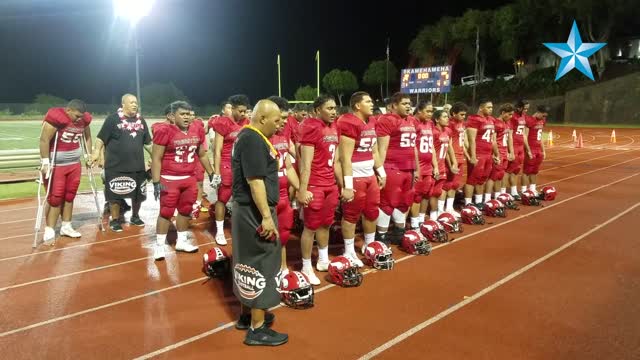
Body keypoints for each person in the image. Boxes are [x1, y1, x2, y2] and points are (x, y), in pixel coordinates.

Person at [231, 99, 287, 346]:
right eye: (276, 120)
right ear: (262, 118)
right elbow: (256, 181)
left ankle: (246, 314)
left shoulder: (247, 136)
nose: (279, 125)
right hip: (254, 210)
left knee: (246, 260)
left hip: (245, 209)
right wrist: (266, 216)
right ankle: (257, 328)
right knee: (262, 260)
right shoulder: (253, 139)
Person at [151, 101, 214, 261]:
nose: (187, 117)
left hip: (189, 178)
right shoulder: (164, 130)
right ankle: (159, 246)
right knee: (166, 212)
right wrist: (156, 182)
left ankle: (182, 241)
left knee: (186, 210)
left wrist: (212, 172)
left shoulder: (197, 129)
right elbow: (156, 158)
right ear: (172, 116)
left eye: (188, 114)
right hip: (169, 178)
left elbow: (202, 154)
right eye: (182, 114)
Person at [335, 91, 384, 264]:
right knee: (351, 215)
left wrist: (381, 171)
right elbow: (345, 158)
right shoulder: (348, 122)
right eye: (368, 101)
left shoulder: (371, 121)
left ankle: (370, 245)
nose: (372, 104)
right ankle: (349, 250)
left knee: (372, 212)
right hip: (354, 175)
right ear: (357, 105)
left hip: (370, 175)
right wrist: (347, 185)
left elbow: (374, 150)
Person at [92, 94, 151, 232]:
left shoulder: (141, 120)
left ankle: (135, 216)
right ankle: (115, 219)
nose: (135, 105)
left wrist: (157, 156)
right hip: (115, 166)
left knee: (138, 195)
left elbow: (148, 143)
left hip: (137, 166)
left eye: (136, 102)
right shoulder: (112, 119)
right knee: (115, 195)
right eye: (131, 102)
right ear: (123, 104)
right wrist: (96, 153)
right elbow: (101, 139)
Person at [296, 95, 339, 285]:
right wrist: (302, 191)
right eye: (329, 108)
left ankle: (323, 258)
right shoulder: (311, 126)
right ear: (317, 110)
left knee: (326, 223)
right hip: (315, 184)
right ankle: (306, 266)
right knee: (310, 227)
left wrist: (343, 184)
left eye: (334, 108)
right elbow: (305, 164)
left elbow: (335, 161)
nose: (333, 111)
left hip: (330, 183)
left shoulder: (333, 127)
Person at [38, 99, 92, 245]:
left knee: (70, 195)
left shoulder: (83, 119)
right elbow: (44, 140)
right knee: (55, 197)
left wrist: (88, 155)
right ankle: (49, 229)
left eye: (81, 116)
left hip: (74, 164)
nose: (79, 119)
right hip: (57, 164)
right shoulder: (57, 118)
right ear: (68, 111)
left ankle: (66, 226)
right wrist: (45, 161)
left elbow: (87, 137)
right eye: (76, 116)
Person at [375, 92, 419, 244]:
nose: (408, 106)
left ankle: (399, 232)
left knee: (404, 201)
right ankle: (381, 235)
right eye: (404, 103)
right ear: (394, 105)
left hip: (409, 168)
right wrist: (380, 171)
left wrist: (417, 168)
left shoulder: (412, 121)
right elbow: (382, 149)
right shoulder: (387, 120)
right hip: (392, 167)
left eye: (409, 103)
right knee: (387, 203)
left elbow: (413, 147)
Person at [210, 95, 251, 245]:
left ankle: (239, 227)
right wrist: (217, 172)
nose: (243, 114)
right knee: (223, 198)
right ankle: (220, 231)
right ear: (232, 108)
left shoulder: (247, 122)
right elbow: (217, 149)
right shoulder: (223, 123)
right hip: (227, 164)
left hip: (243, 165)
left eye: (245, 111)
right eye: (240, 111)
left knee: (242, 199)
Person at [267, 96, 300, 276]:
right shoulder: (253, 137)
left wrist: (301, 189)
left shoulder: (283, 133)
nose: (286, 122)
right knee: (265, 238)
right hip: (265, 196)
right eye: (281, 118)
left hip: (283, 195)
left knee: (284, 234)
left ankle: (282, 268)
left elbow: (287, 165)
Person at [409, 101, 438, 228]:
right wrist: (416, 167)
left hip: (428, 165)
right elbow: (412, 145)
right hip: (417, 165)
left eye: (432, 111)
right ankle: (414, 223)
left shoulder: (430, 123)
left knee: (426, 193)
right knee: (416, 196)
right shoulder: (413, 122)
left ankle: (421, 219)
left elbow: (431, 145)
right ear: (419, 110)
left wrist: (435, 165)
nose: (430, 114)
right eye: (428, 111)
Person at [464, 99, 497, 209]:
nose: (491, 109)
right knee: (472, 179)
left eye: (491, 107)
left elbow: (492, 139)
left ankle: (478, 201)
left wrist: (495, 154)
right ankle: (468, 202)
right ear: (481, 108)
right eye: (488, 107)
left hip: (488, 154)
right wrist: (473, 156)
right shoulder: (474, 119)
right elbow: (471, 139)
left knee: (482, 178)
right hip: (479, 153)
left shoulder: (491, 120)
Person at [429, 109, 457, 220]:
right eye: (444, 116)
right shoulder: (433, 131)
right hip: (433, 164)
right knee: (429, 193)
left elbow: (449, 147)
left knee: (437, 192)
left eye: (447, 116)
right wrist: (434, 166)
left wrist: (453, 162)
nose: (447, 118)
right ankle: (430, 217)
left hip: (442, 164)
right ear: (437, 119)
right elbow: (431, 150)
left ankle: (436, 214)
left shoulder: (448, 131)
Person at [442, 102, 469, 217]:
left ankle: (449, 207)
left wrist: (466, 154)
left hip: (460, 155)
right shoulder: (450, 125)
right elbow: (449, 144)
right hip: (453, 156)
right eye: (461, 114)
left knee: (455, 184)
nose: (463, 117)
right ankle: (440, 209)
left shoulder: (461, 123)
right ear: (453, 113)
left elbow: (463, 141)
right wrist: (452, 161)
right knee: (446, 184)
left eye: (464, 115)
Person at [486, 103, 515, 199]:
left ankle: (497, 197)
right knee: (493, 176)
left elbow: (509, 138)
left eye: (512, 115)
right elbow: (493, 140)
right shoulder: (496, 123)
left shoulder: (507, 123)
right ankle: (487, 198)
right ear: (503, 113)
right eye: (509, 114)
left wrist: (511, 152)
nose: (511, 117)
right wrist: (496, 154)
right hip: (498, 152)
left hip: (504, 151)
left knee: (500, 176)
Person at [505, 100, 529, 200]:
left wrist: (527, 148)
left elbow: (523, 134)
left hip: (520, 146)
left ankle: (514, 191)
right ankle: (502, 192)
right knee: (508, 170)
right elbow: (509, 135)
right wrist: (510, 150)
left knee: (516, 170)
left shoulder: (523, 117)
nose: (526, 110)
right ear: (519, 107)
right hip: (513, 145)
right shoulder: (513, 117)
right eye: (525, 108)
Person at [522, 105, 549, 195]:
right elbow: (524, 136)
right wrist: (528, 150)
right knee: (527, 171)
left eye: (545, 116)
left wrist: (543, 150)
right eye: (543, 115)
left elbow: (541, 137)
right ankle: (524, 190)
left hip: (538, 150)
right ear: (538, 112)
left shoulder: (542, 121)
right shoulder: (530, 120)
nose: (544, 117)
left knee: (535, 170)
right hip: (531, 148)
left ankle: (532, 188)